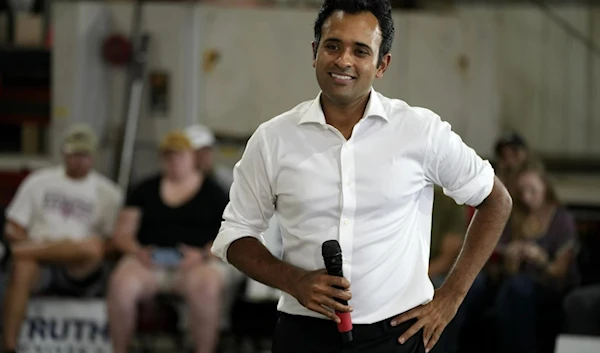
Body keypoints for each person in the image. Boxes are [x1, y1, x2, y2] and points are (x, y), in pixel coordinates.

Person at [211, 1, 513, 353]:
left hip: (397, 337)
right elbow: (235, 233)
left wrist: (451, 297)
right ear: (314, 52)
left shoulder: (419, 131)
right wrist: (292, 279)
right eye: (333, 46)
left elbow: (496, 201)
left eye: (360, 50)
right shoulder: (273, 139)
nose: (343, 61)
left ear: (381, 64)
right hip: (304, 335)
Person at [1, 124, 122, 353]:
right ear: (63, 153)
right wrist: (48, 247)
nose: (77, 160)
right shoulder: (39, 181)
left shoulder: (109, 193)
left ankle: (11, 252)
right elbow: (13, 227)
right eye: (73, 154)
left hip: (81, 267)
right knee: (23, 268)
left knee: (92, 247)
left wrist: (42, 247)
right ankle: (9, 346)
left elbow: (110, 244)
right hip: (39, 264)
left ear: (93, 156)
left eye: (83, 155)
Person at [107, 131, 229, 353]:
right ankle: (119, 349)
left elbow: (229, 234)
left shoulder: (214, 192)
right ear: (162, 159)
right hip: (148, 261)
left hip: (196, 262)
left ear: (192, 157)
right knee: (121, 284)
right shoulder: (144, 189)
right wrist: (138, 251)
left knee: (207, 286)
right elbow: (122, 233)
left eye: (180, 155)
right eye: (169, 156)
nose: (174, 161)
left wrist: (202, 254)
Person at [494, 159, 579, 353]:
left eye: (532, 190)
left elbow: (560, 272)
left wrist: (540, 259)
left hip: (552, 286)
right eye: (521, 191)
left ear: (545, 186)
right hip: (518, 287)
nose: (526, 197)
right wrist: (512, 257)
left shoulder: (562, 220)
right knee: (511, 290)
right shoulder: (515, 216)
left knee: (515, 290)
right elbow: (506, 268)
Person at [184, 124, 234, 192]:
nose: (203, 156)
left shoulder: (226, 180)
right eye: (198, 152)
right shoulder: (176, 184)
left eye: (207, 151)